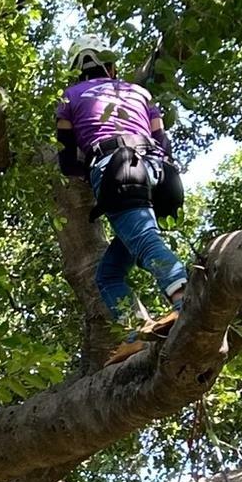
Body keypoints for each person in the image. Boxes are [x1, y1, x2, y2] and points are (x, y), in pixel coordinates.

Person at [55, 47, 189, 326]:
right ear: (112, 69)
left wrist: (90, 171)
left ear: (77, 72)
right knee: (109, 275)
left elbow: (67, 159)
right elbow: (162, 139)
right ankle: (138, 331)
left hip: (120, 170)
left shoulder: (70, 96)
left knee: (146, 241)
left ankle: (185, 300)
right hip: (163, 176)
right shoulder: (139, 93)